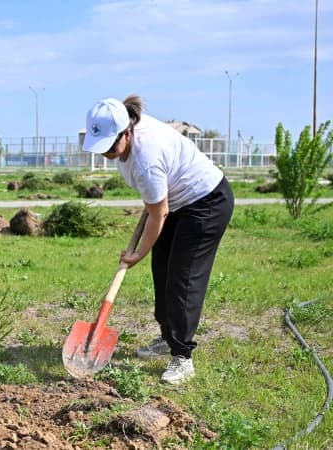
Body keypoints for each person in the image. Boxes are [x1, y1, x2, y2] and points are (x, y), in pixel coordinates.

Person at [82, 95, 234, 385]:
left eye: (111, 146)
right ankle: (168, 336)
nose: (106, 153)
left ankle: (182, 357)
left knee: (183, 279)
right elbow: (158, 206)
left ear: (127, 133)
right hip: (176, 204)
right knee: (162, 271)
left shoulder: (146, 159)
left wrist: (138, 253)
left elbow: (158, 213)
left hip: (206, 203)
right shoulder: (128, 139)